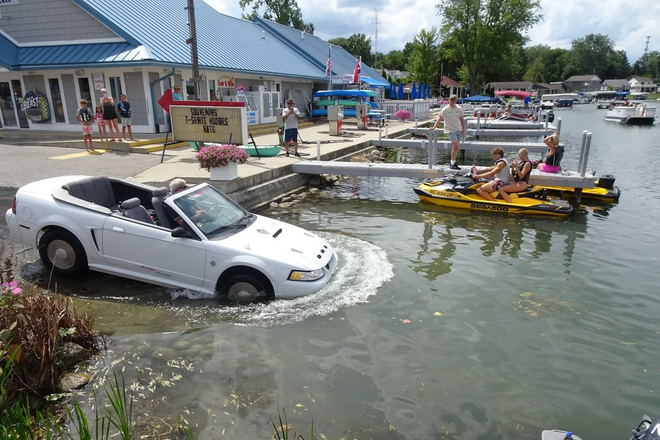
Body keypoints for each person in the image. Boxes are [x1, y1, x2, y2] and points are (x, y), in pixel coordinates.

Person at [430, 94, 465, 170]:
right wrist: (434, 127)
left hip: (458, 129)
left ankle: (453, 162)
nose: (451, 102)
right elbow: (439, 119)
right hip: (450, 130)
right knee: (455, 146)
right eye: (450, 100)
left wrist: (463, 130)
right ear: (448, 100)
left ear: (455, 101)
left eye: (453, 101)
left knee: (456, 148)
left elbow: (462, 120)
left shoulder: (459, 109)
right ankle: (452, 163)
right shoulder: (445, 109)